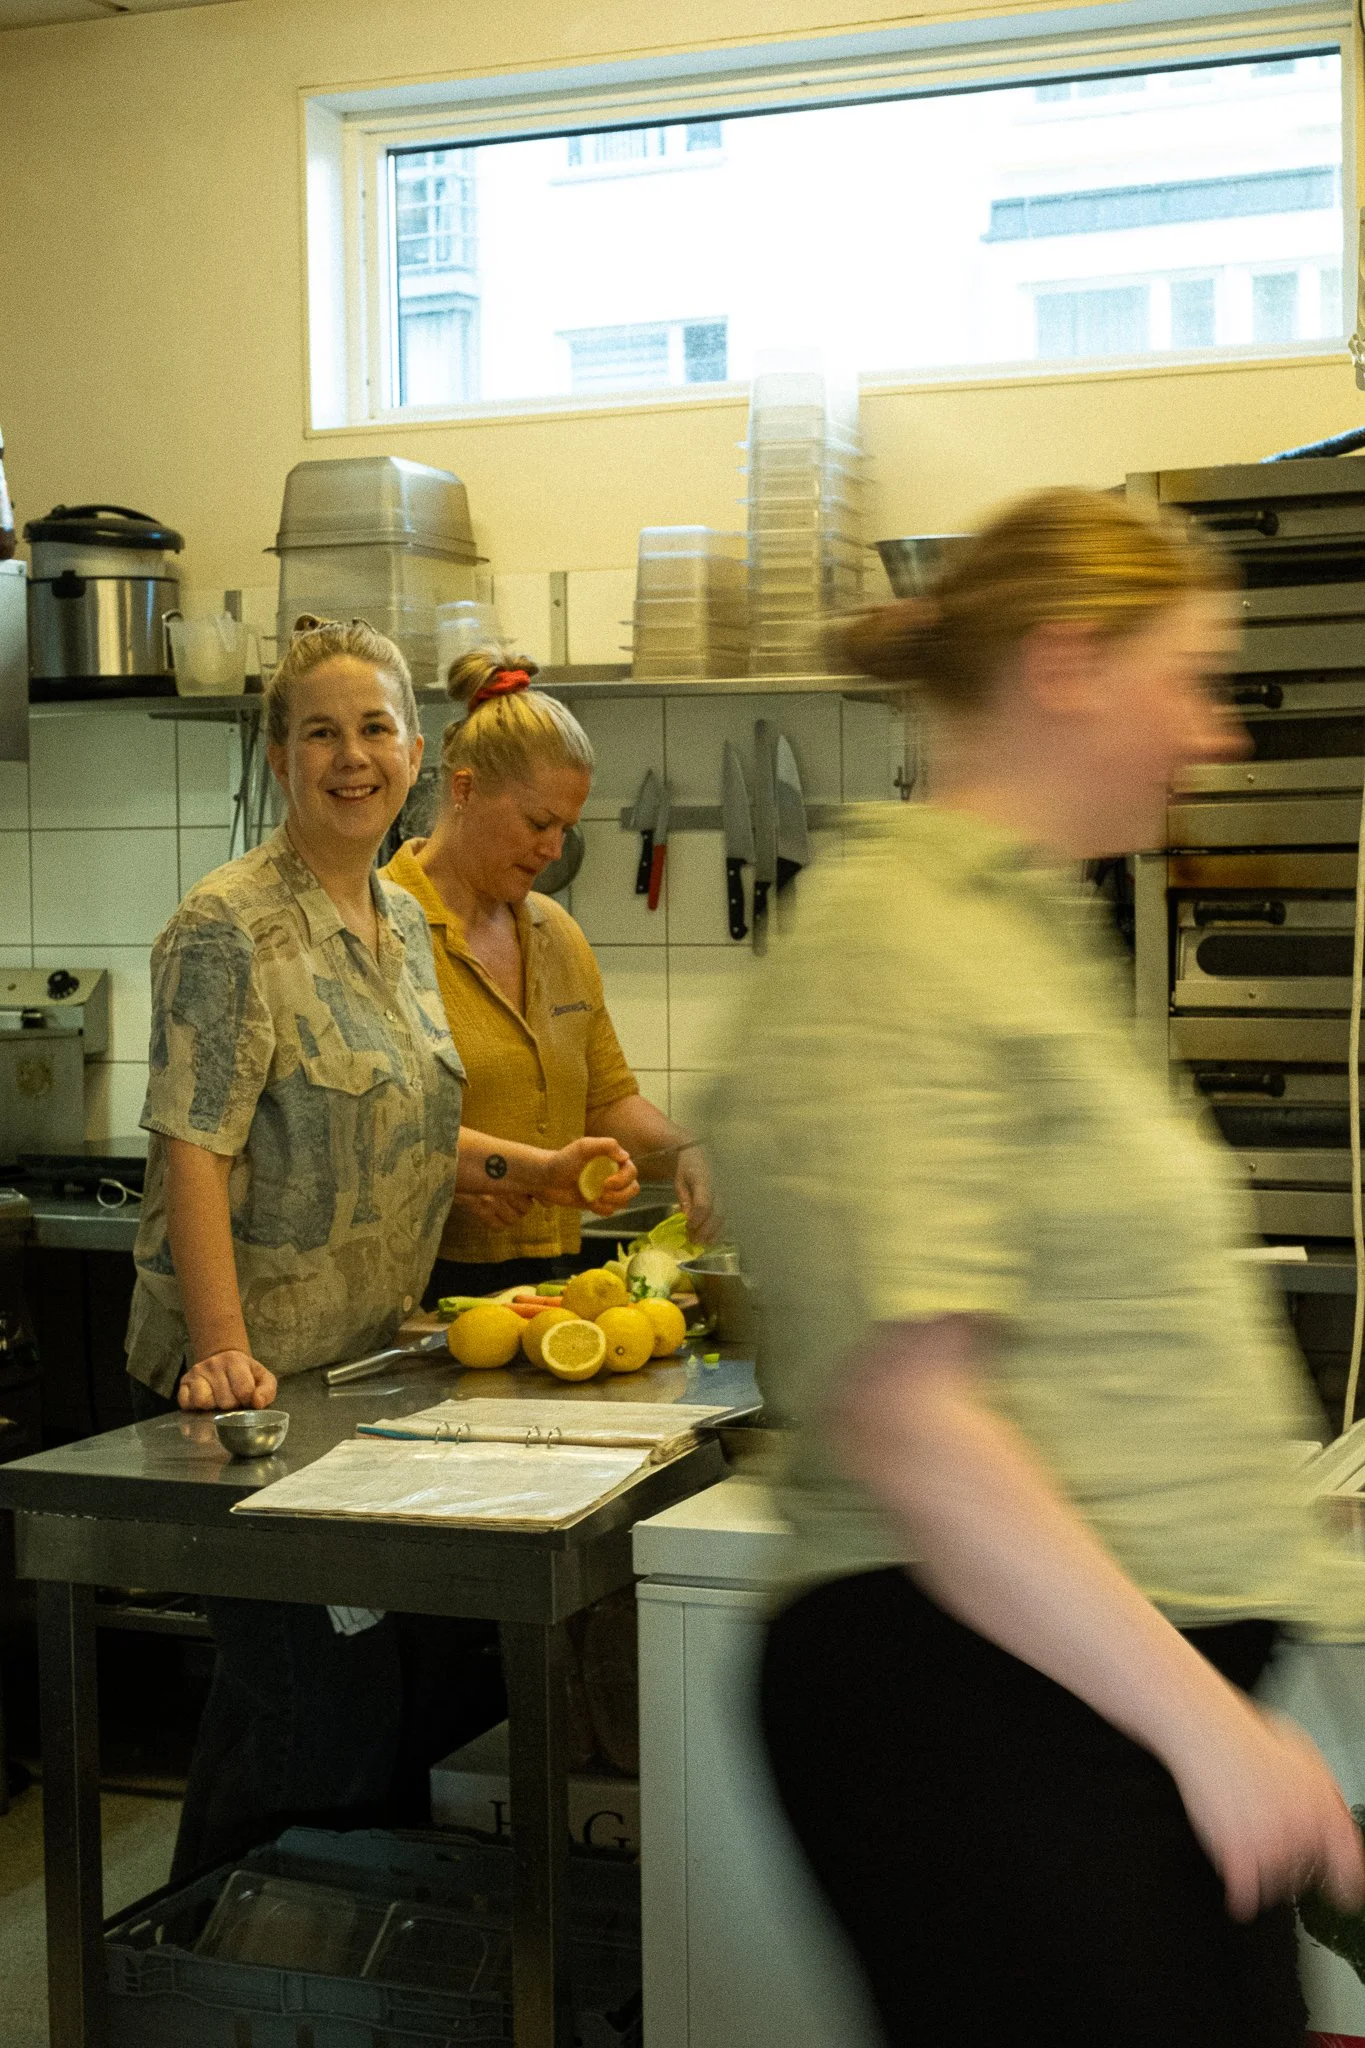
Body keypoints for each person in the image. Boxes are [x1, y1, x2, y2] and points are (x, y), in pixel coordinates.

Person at [705, 488, 1365, 2048]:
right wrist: (1208, 1731)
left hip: (1088, 1704)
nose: (1218, 738)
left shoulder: (1024, 933)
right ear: (1068, 665)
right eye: (1191, 679)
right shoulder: (890, 936)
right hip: (982, 1711)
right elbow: (912, 1420)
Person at [124, 616, 637, 1875]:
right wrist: (226, 1352)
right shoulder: (227, 926)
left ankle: (250, 1966)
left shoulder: (400, 926)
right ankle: (218, 1968)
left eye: (373, 728)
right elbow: (196, 1149)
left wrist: (534, 1164)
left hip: (356, 1381)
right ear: (282, 754)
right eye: (319, 732)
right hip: (248, 1398)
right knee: (314, 1724)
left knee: (340, 1723)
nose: (351, 757)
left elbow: (407, 1120)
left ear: (415, 748)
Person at [381, 650, 712, 1303]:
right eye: (538, 823)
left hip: (546, 1286)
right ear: (465, 788)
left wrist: (685, 1149)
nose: (554, 849)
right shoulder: (376, 928)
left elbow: (606, 1099)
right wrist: (463, 1177)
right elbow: (369, 1129)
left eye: (566, 827)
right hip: (416, 1292)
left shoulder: (555, 934)